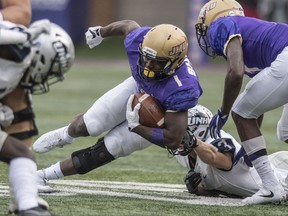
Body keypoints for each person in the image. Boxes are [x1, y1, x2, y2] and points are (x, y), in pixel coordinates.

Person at [33, 20, 202, 190]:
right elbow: (128, 25)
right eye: (146, 57)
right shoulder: (140, 40)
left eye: (157, 62)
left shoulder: (183, 87)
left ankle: (42, 176)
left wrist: (137, 127)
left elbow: (173, 139)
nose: (148, 65)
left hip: (161, 111)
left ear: (175, 63)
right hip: (138, 86)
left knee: (108, 149)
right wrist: (100, 32)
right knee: (92, 124)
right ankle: (65, 135)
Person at [194, 0, 288, 204]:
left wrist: (224, 111)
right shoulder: (253, 32)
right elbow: (257, 103)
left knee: (240, 112)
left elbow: (235, 73)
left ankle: (272, 187)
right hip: (284, 55)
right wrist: (248, 149)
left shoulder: (221, 25)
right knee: (285, 131)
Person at [173, 105, 288, 199]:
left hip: (282, 182)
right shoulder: (189, 154)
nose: (177, 136)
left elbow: (218, 160)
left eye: (181, 131)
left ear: (199, 132)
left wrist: (194, 142)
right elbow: (223, 189)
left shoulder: (214, 141)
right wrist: (199, 188)